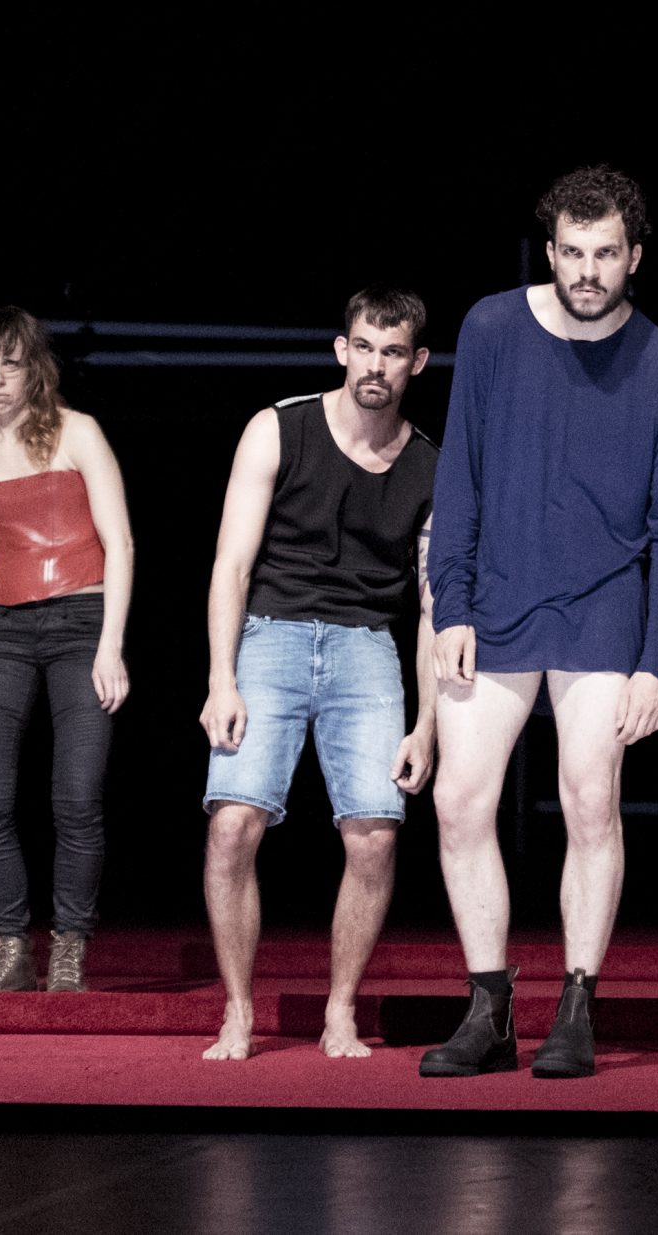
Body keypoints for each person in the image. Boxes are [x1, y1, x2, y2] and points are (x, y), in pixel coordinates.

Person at [420, 166, 658, 1079]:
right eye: (573, 252)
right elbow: (459, 472)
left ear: (635, 256)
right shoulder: (491, 328)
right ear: (550, 250)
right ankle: (489, 1005)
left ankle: (578, 1002)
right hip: (497, 595)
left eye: (605, 253)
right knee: (459, 800)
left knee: (590, 797)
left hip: (603, 604)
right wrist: (452, 602)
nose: (587, 270)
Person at [198, 290, 441, 1060]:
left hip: (367, 644)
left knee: (374, 834)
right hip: (270, 632)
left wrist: (427, 722)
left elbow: (435, 606)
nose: (375, 365)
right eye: (364, 347)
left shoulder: (431, 465)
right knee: (231, 824)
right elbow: (232, 565)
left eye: (392, 352)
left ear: (416, 362)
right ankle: (238, 1009)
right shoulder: (279, 427)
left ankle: (341, 1009)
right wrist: (221, 678)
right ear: (342, 349)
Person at [0, 308, 134, 996]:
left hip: (82, 621)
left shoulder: (79, 433)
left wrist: (111, 644)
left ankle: (69, 946)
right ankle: (10, 946)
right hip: (0, 631)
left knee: (76, 797)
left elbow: (119, 542)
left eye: (9, 363)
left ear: (33, 368)